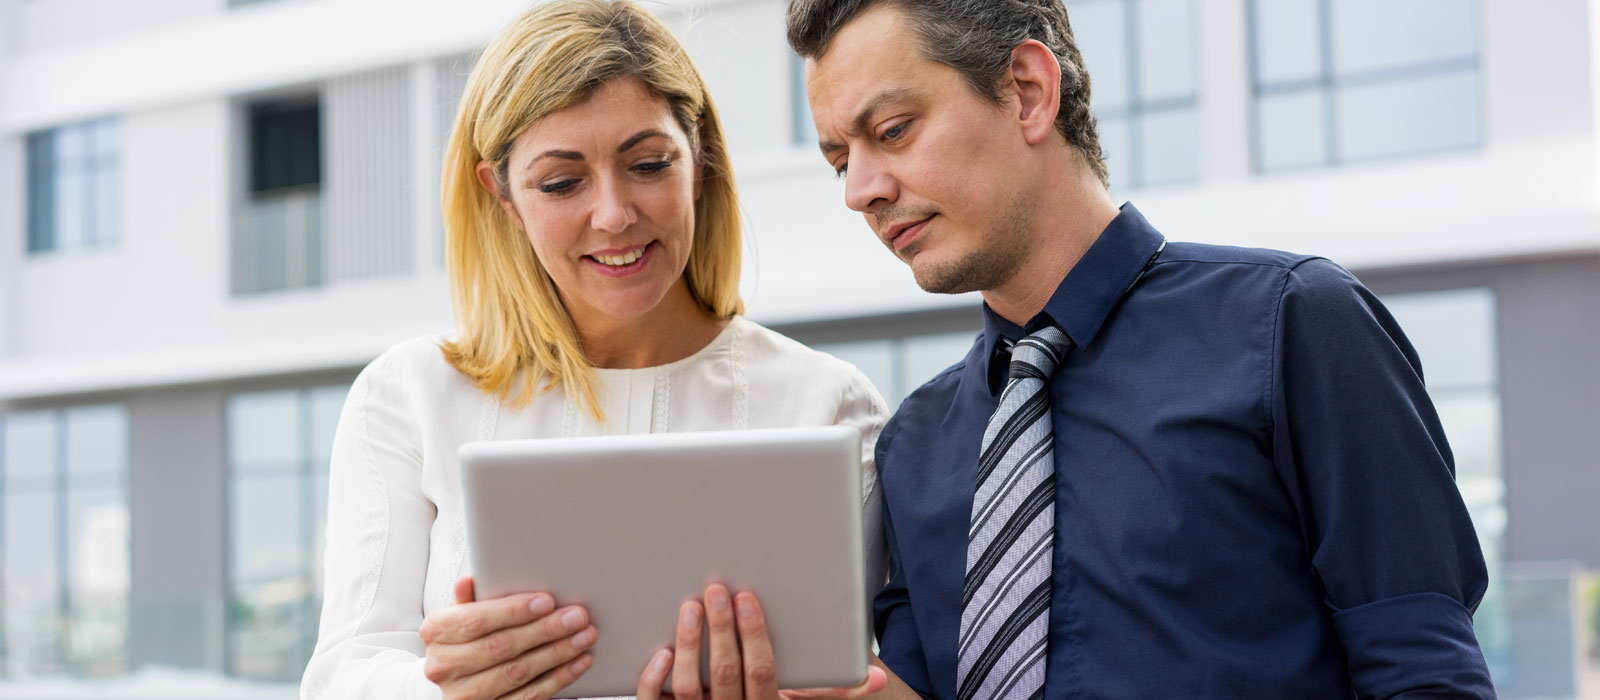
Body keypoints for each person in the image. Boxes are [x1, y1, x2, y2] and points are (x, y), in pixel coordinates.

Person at [774, 0, 1499, 698]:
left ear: (1028, 92)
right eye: (842, 161)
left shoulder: (1293, 325)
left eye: (893, 130)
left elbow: (1425, 679)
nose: (860, 191)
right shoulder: (915, 445)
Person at [299, 2, 890, 698]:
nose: (613, 214)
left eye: (647, 164)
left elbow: (864, 673)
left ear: (696, 160)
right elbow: (345, 674)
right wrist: (451, 688)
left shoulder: (828, 405)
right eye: (561, 182)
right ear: (503, 196)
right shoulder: (408, 397)